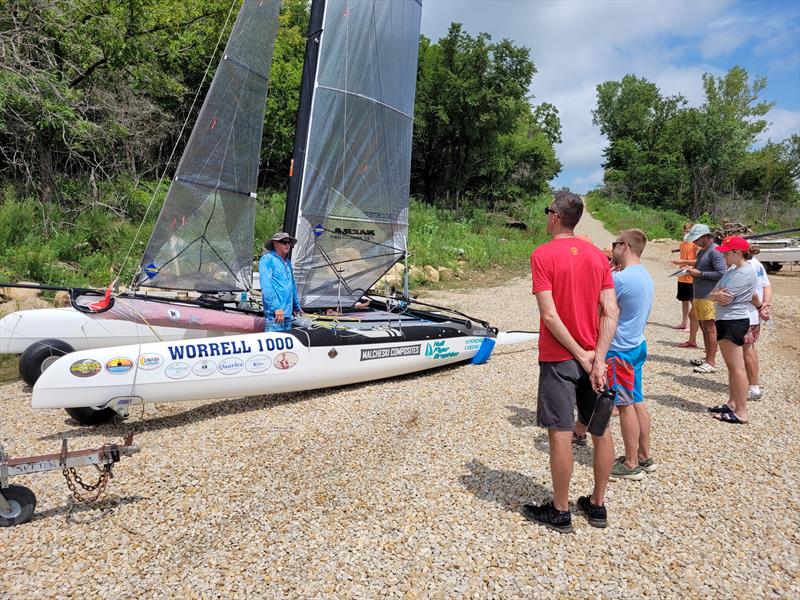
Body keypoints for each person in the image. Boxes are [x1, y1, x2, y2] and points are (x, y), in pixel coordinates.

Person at [522, 191, 619, 533]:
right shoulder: (597, 257)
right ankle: (597, 505)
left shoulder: (542, 255)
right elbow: (611, 311)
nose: (546, 215)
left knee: (561, 432)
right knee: (601, 430)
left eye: (547, 210)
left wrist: (579, 353)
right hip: (594, 356)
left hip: (560, 356)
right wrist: (598, 360)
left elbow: (549, 315)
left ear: (555, 217)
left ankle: (560, 510)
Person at [598, 229, 655, 481]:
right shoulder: (644, 275)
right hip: (637, 344)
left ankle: (631, 463)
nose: (612, 249)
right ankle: (644, 456)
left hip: (620, 349)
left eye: (615, 244)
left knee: (624, 406)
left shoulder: (621, 280)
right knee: (637, 400)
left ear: (625, 246)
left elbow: (600, 305)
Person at [706, 236, 758, 424]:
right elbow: (714, 293)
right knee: (732, 367)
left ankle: (741, 412)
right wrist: (715, 295)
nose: (724, 256)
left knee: (737, 368)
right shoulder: (733, 270)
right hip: (726, 319)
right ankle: (732, 403)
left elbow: (723, 297)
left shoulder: (745, 272)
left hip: (733, 320)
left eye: (727, 252)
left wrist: (715, 295)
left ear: (738, 252)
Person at [683, 224, 726, 373]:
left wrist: (699, 274)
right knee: (703, 327)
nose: (694, 242)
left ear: (705, 237)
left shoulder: (715, 252)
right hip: (700, 295)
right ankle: (708, 358)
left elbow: (721, 273)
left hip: (709, 296)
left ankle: (711, 362)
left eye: (696, 239)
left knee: (710, 329)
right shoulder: (703, 251)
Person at [742, 246, 772, 400]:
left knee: (748, 350)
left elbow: (751, 294)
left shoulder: (746, 267)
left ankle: (754, 387)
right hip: (753, 315)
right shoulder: (757, 263)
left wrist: (761, 306)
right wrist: (765, 304)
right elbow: (767, 285)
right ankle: (751, 384)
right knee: (750, 348)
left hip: (747, 314)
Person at [258, 232, 302, 332]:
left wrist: (296, 306)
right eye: (284, 242)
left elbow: (292, 286)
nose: (287, 245)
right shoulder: (267, 259)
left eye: (289, 242)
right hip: (275, 315)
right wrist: (276, 308)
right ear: (275, 243)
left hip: (288, 316)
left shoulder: (288, 263)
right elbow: (266, 286)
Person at [671, 223, 699, 347]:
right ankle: (684, 322)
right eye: (685, 231)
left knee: (693, 302)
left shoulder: (695, 245)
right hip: (682, 276)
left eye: (689, 231)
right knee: (683, 300)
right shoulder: (682, 244)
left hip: (691, 277)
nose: (686, 233)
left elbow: (698, 261)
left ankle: (693, 325)